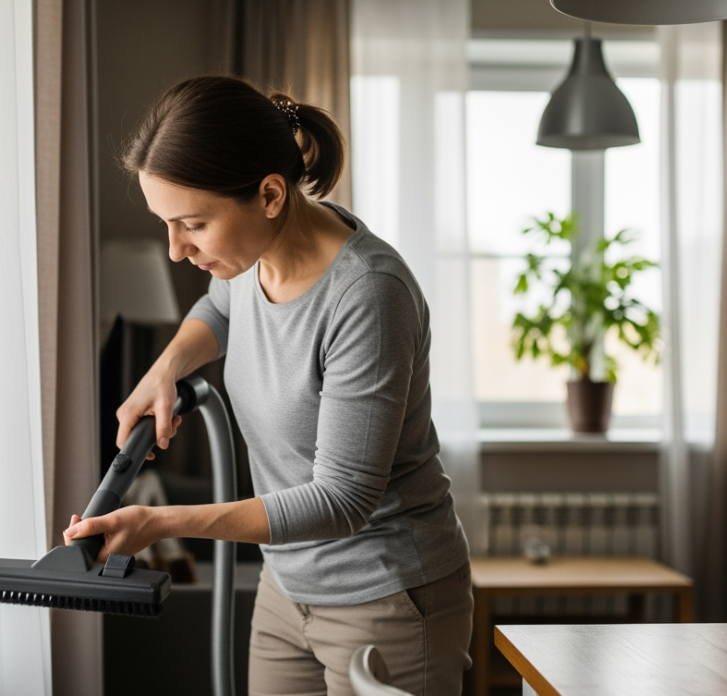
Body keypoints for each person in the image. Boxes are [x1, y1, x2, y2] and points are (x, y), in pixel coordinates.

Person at [63, 75, 472, 696]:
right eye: (167, 225)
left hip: (386, 598)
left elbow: (341, 499)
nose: (176, 250)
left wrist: (160, 522)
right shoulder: (248, 257)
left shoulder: (367, 296)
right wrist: (167, 366)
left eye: (193, 224)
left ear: (271, 195)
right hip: (287, 591)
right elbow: (219, 308)